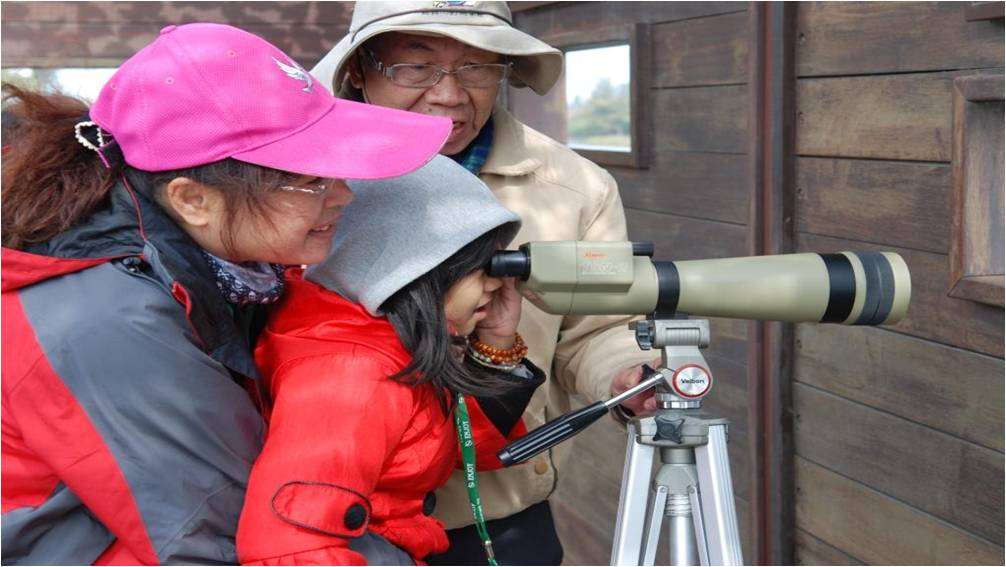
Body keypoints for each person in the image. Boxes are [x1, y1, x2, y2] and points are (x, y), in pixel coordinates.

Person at [1, 23, 450, 565]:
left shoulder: (232, 270)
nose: (344, 195)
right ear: (193, 199)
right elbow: (229, 541)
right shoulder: (107, 320)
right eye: (310, 180)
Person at [311, 2, 660, 564]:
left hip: (496, 522)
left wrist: (624, 373)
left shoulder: (574, 187)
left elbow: (603, 325)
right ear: (358, 69)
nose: (449, 94)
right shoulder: (296, 179)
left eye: (476, 67)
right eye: (414, 67)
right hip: (327, 523)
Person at [236, 155, 544, 565]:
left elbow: (471, 452)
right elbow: (292, 548)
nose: (495, 282)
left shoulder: (377, 336)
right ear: (413, 268)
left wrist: (496, 343)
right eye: (482, 267)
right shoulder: (350, 373)